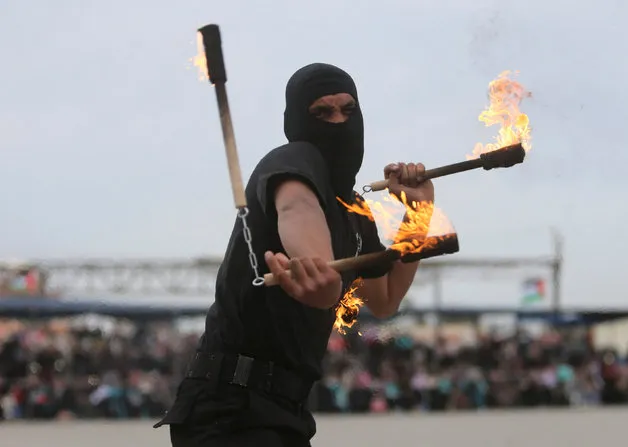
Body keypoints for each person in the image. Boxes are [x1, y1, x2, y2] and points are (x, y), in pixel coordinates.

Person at [154, 63, 435, 446]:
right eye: (323, 112)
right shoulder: (292, 162)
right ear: (298, 121)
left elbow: (385, 299)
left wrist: (418, 216)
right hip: (227, 408)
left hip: (286, 410)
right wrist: (322, 273)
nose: (337, 123)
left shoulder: (354, 212)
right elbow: (297, 208)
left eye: (347, 111)